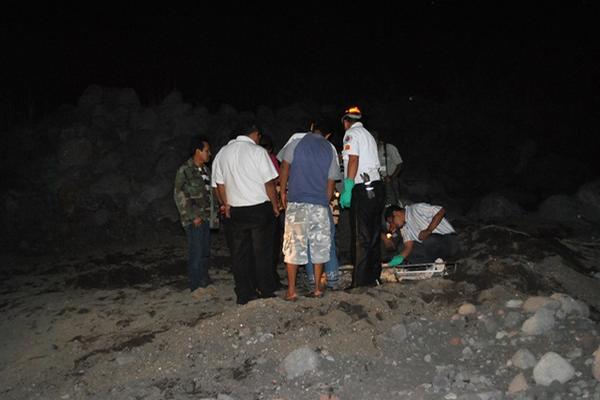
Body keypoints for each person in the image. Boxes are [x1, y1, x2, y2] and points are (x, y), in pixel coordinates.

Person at [211, 123, 280, 305]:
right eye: (258, 135)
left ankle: (244, 293)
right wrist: (275, 205)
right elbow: (269, 183)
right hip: (259, 208)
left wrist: (225, 204)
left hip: (235, 210)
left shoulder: (222, 153)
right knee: (262, 252)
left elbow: (219, 184)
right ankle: (265, 290)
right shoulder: (257, 152)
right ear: (255, 134)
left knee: (240, 254)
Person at [278, 121, 341, 300]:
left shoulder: (296, 143)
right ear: (328, 135)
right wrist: (325, 201)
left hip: (297, 202)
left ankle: (291, 291)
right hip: (319, 204)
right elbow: (331, 182)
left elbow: (284, 167)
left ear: (312, 127)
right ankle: (317, 290)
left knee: (293, 247)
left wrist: (283, 191)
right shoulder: (329, 149)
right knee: (319, 246)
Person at [340, 106, 385, 287]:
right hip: (376, 187)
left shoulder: (351, 134)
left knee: (361, 237)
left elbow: (353, 159)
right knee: (373, 236)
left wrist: (348, 186)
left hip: (363, 188)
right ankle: (373, 277)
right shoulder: (368, 135)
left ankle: (359, 282)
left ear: (346, 121)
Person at [173, 135, 215, 299]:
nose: (209, 154)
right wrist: (193, 216)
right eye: (207, 150)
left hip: (206, 217)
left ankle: (204, 283)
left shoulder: (205, 170)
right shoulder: (185, 170)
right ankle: (195, 286)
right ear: (198, 151)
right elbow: (179, 194)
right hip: (195, 219)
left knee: (204, 251)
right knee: (196, 252)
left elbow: (209, 194)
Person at [383, 203, 459, 266]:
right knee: (402, 248)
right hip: (430, 249)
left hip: (449, 241)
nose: (392, 226)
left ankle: (440, 262)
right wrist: (391, 264)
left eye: (391, 222)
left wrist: (428, 230)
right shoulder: (404, 227)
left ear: (396, 213)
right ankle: (432, 265)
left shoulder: (416, 208)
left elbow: (440, 211)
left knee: (429, 240)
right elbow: (408, 248)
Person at [259, 134, 285, 289]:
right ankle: (270, 279)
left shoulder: (269, 159)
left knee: (268, 245)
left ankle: (269, 278)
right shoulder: (270, 159)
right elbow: (274, 181)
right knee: (269, 244)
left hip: (260, 204)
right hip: (268, 205)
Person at [373, 132, 403, 206]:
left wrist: (392, 177)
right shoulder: (372, 150)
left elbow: (400, 164)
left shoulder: (388, 148)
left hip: (390, 180)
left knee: (393, 202)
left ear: (376, 140)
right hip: (378, 181)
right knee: (382, 202)